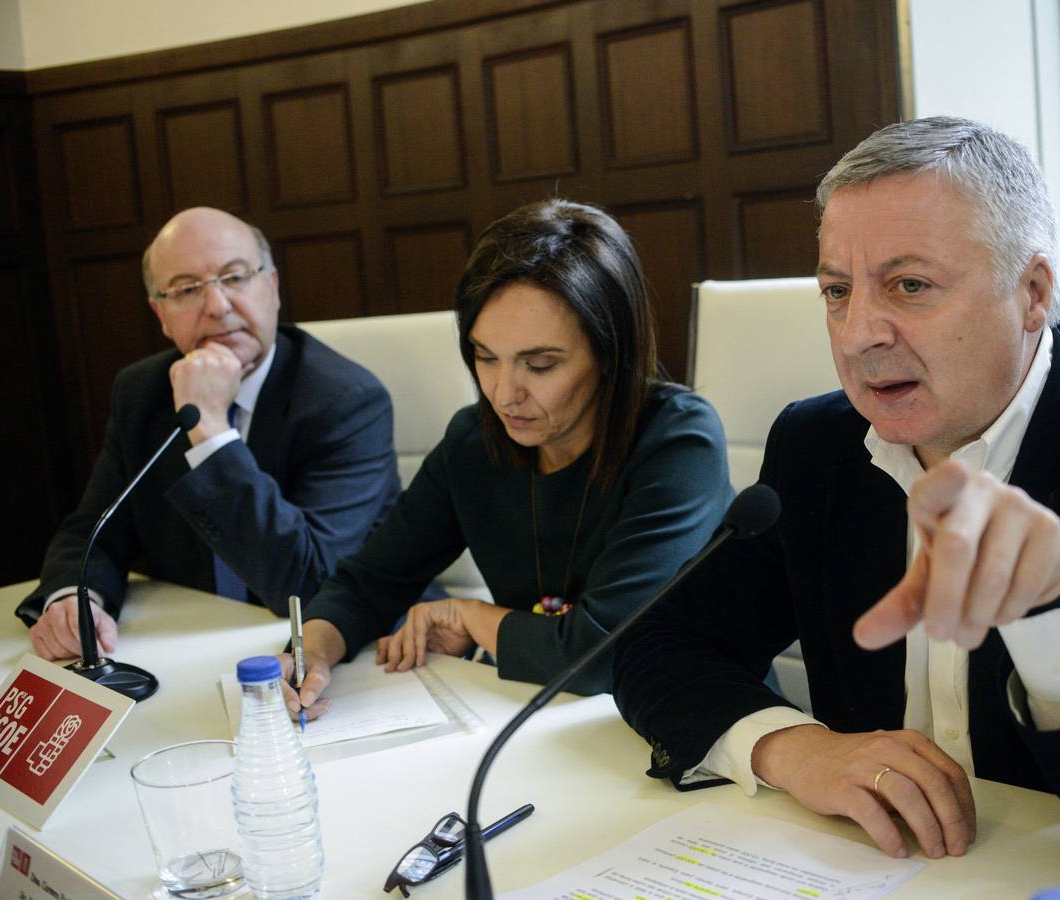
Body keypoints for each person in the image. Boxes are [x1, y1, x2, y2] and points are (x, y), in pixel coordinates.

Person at [612, 117, 1060, 890]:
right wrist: (798, 750)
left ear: (1032, 293)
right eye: (837, 291)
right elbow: (657, 644)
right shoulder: (815, 447)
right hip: (864, 869)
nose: (857, 336)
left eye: (910, 286)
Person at [286, 198, 733, 711]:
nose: (503, 395)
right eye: (485, 357)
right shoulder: (474, 442)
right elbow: (367, 584)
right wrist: (311, 652)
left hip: (698, 719)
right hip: (543, 718)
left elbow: (603, 653)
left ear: (610, 351)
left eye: (539, 365)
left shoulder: (679, 439)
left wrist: (473, 618)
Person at [17, 207, 401, 660]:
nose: (217, 306)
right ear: (161, 314)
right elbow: (93, 532)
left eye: (234, 277)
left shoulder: (346, 401)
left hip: (344, 655)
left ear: (272, 287)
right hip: (193, 644)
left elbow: (307, 585)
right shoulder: (142, 392)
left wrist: (212, 432)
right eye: (186, 289)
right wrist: (75, 600)